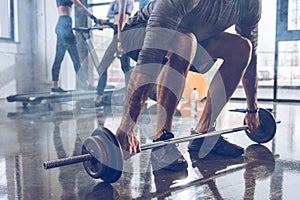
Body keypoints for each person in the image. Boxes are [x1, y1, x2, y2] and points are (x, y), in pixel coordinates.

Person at [115, 0, 262, 171]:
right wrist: (127, 126)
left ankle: (203, 133)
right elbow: (151, 55)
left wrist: (252, 110)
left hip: (193, 39)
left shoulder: (250, 4)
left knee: (243, 48)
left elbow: (251, 62)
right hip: (138, 33)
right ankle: (162, 139)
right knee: (184, 41)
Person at [83, 0, 134, 108]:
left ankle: (98, 99)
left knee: (106, 66)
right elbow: (116, 20)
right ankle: (131, 99)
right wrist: (105, 22)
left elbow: (121, 19)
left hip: (121, 34)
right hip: (119, 32)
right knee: (126, 69)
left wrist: (120, 41)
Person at [51, 0, 101, 93]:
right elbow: (80, 6)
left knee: (58, 58)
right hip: (65, 24)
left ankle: (55, 86)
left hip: (62, 25)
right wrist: (94, 17)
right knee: (76, 59)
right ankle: (85, 84)